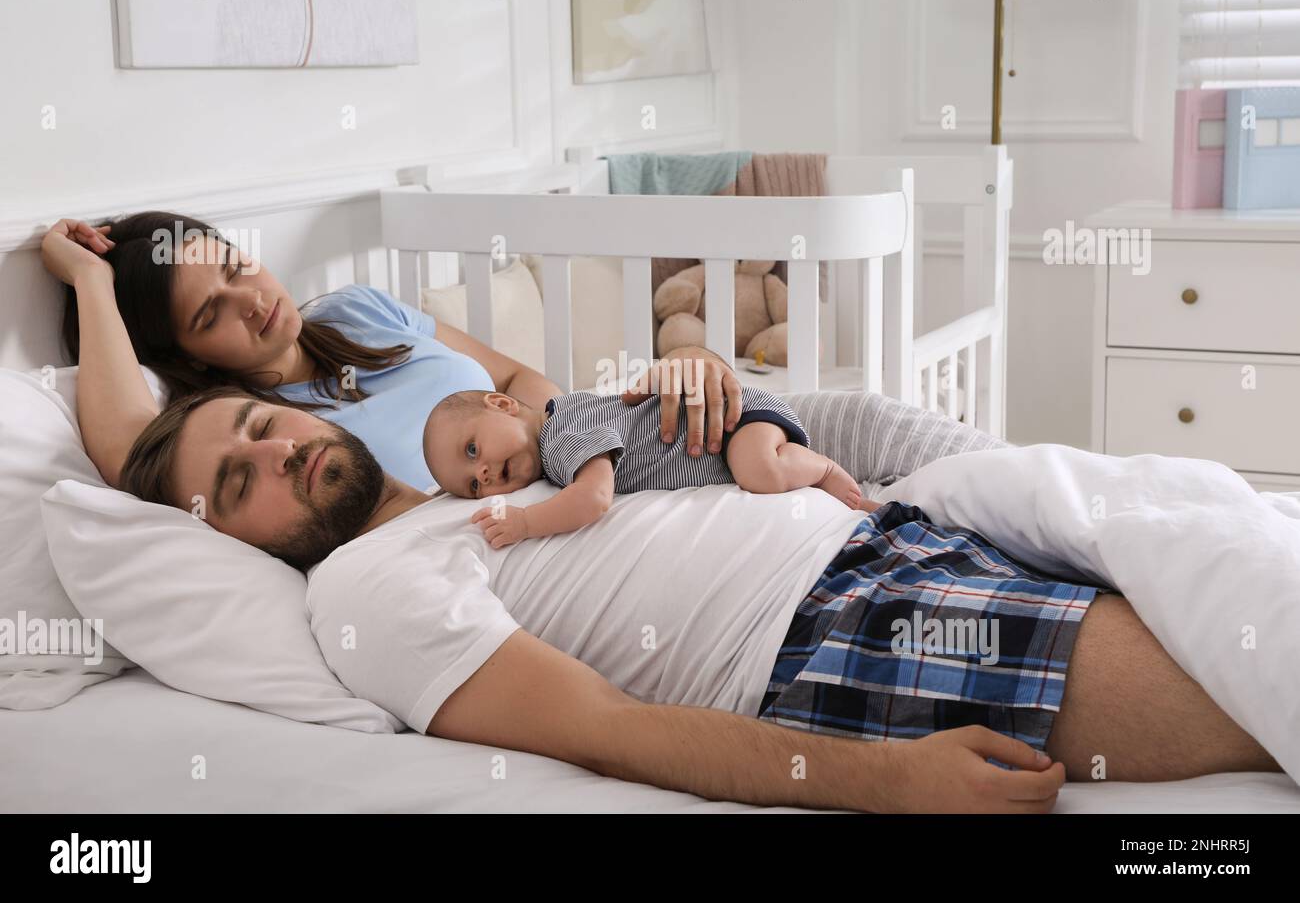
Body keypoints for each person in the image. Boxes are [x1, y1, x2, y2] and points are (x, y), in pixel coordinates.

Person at [116, 387, 1283, 813]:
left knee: (1232, 564)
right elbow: (603, 730)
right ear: (228, 534)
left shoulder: (506, 458)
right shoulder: (362, 594)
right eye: (237, 480)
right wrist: (890, 782)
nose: (279, 458)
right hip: (839, 632)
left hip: (893, 529)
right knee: (1254, 663)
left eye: (268, 427)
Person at [40, 215, 744, 492]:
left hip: (594, 465)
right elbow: (128, 448)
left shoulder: (354, 311)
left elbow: (513, 377)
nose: (250, 300)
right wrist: (92, 282)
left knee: (791, 425)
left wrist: (576, 434)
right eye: (209, 314)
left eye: (234, 266)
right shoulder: (259, 432)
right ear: (189, 358)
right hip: (543, 538)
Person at [423, 386, 864, 549]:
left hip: (730, 422)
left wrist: (525, 522)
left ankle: (824, 471)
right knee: (757, 473)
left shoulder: (560, 436)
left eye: (472, 450)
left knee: (760, 474)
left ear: (502, 404)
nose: (480, 475)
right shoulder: (564, 424)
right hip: (726, 429)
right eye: (469, 487)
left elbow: (595, 498)